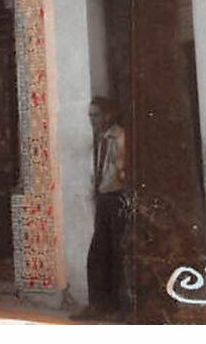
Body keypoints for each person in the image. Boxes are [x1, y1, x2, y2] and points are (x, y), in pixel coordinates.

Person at [75, 96, 128, 320]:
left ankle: (120, 307)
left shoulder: (119, 137)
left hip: (116, 198)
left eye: (95, 115)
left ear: (108, 115)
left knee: (118, 252)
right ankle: (98, 304)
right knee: (98, 253)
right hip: (103, 199)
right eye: (89, 115)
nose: (92, 120)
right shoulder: (99, 139)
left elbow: (123, 168)